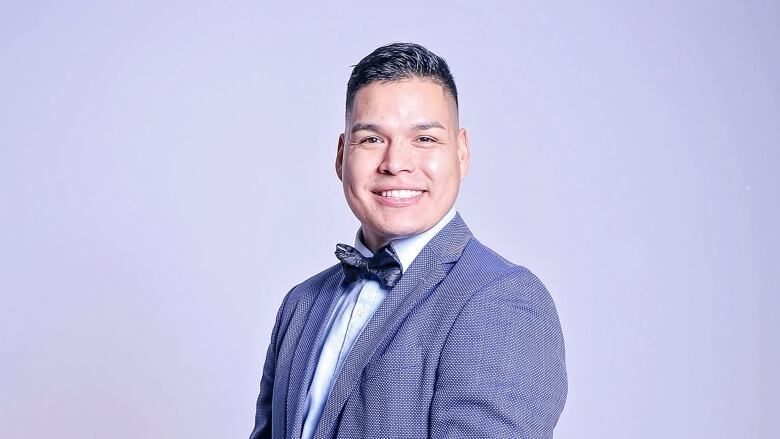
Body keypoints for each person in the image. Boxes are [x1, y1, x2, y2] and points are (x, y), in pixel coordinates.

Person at [249, 42, 567, 439]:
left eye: (425, 139)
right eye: (371, 139)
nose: (396, 163)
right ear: (341, 155)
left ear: (462, 153)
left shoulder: (501, 300)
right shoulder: (302, 304)